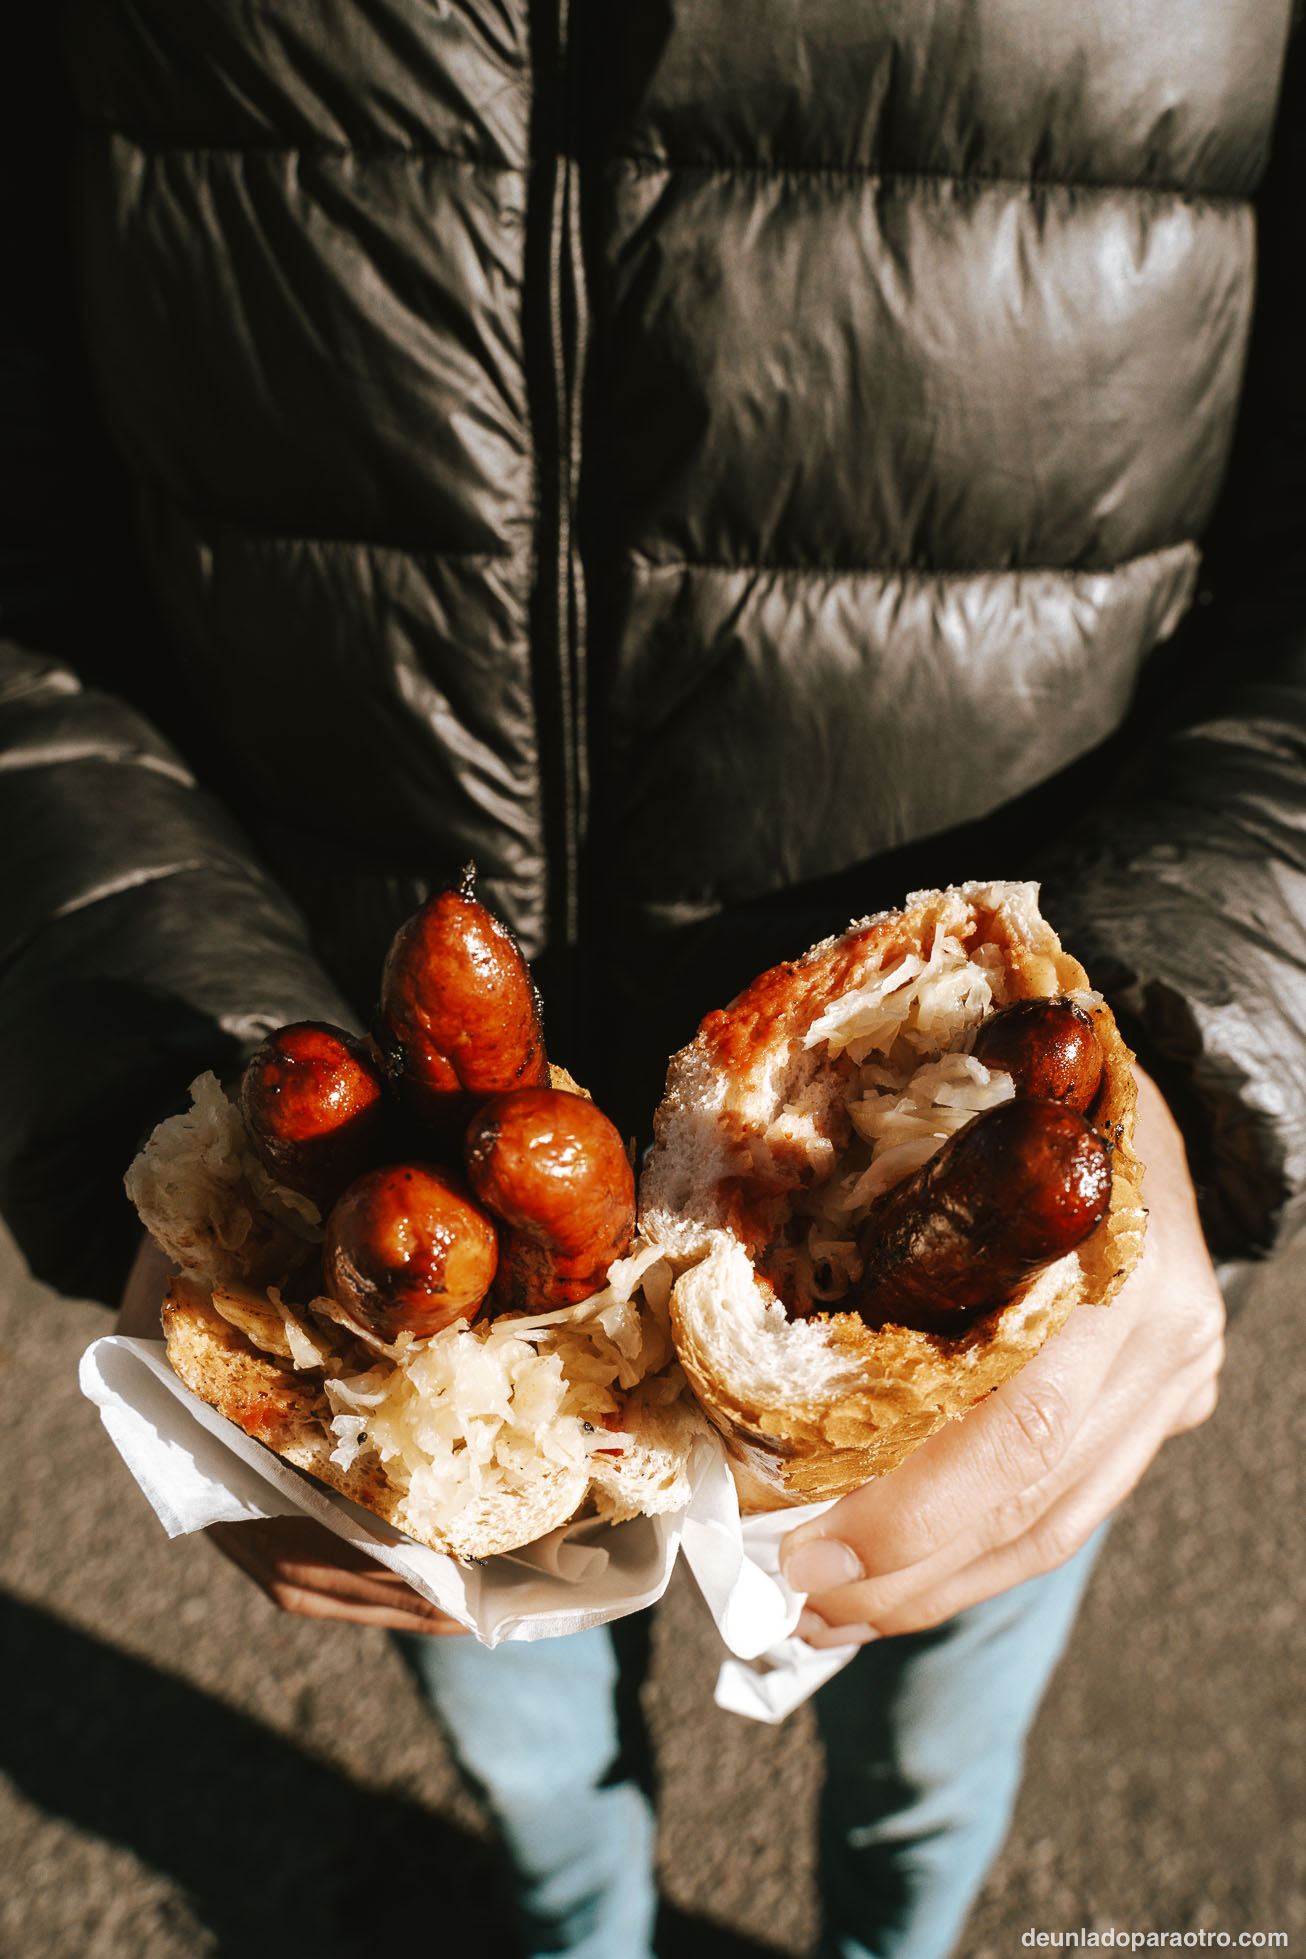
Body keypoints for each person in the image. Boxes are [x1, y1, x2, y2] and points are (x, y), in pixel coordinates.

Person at [4, 5, 1301, 1955]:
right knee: (526, 1767)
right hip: (363, 1217)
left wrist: (1195, 1025)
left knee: (928, 1758)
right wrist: (144, 1030)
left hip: (983, 1267)